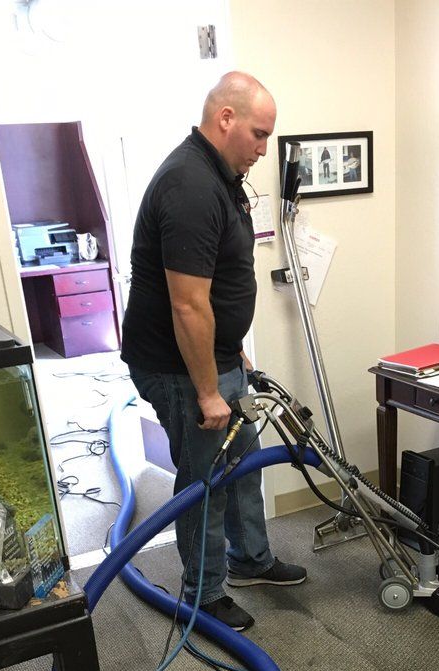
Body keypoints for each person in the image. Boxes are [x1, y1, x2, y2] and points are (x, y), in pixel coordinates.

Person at [121, 71, 306, 632]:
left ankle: (249, 559)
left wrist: (233, 352)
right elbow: (187, 305)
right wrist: (207, 389)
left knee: (242, 460)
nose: (262, 148)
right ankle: (203, 593)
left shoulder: (220, 175)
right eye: (258, 133)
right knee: (206, 479)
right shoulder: (190, 184)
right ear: (225, 118)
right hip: (179, 370)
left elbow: (221, 283)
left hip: (215, 358)